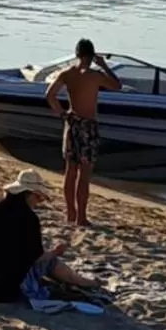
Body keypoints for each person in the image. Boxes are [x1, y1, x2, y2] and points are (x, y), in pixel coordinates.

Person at [0, 168, 99, 303]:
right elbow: (36, 258)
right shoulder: (28, 218)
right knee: (51, 261)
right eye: (39, 198)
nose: (39, 203)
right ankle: (83, 282)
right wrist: (56, 252)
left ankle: (78, 280)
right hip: (5, 285)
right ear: (30, 194)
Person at [45, 37, 122, 227]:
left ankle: (71, 213)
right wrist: (104, 65)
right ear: (91, 55)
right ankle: (81, 217)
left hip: (72, 123)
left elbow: (49, 95)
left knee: (70, 170)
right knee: (84, 172)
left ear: (77, 54)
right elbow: (117, 85)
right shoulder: (94, 75)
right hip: (87, 125)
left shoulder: (67, 73)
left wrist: (62, 114)